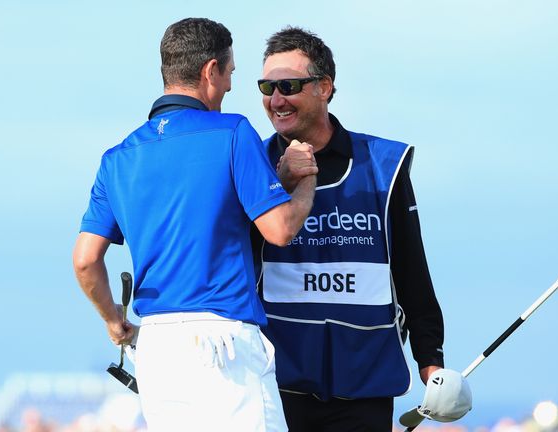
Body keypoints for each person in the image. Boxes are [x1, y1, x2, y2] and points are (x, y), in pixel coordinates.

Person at [72, 18, 318, 431]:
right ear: (210, 71)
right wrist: (305, 179)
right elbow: (280, 229)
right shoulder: (232, 131)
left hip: (156, 350)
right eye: (230, 73)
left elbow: (84, 261)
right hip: (224, 341)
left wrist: (113, 320)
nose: (229, 86)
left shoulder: (117, 158)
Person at [254, 27, 448, 432]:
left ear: (324, 87)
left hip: (365, 380)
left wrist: (432, 362)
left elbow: (411, 269)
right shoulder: (251, 164)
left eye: (288, 85)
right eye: (267, 87)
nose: (276, 100)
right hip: (276, 378)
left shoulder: (382, 164)